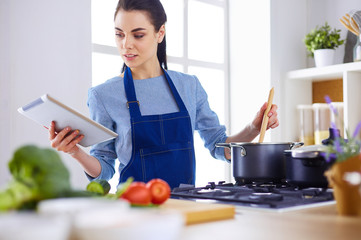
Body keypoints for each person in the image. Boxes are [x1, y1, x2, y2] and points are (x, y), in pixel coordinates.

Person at [49, 0, 279, 189]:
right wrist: (75, 152)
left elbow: (219, 147)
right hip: (135, 210)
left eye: (137, 35)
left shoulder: (189, 86)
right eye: (119, 34)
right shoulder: (103, 95)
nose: (126, 45)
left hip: (186, 209)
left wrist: (253, 127)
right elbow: (104, 170)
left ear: (160, 33)